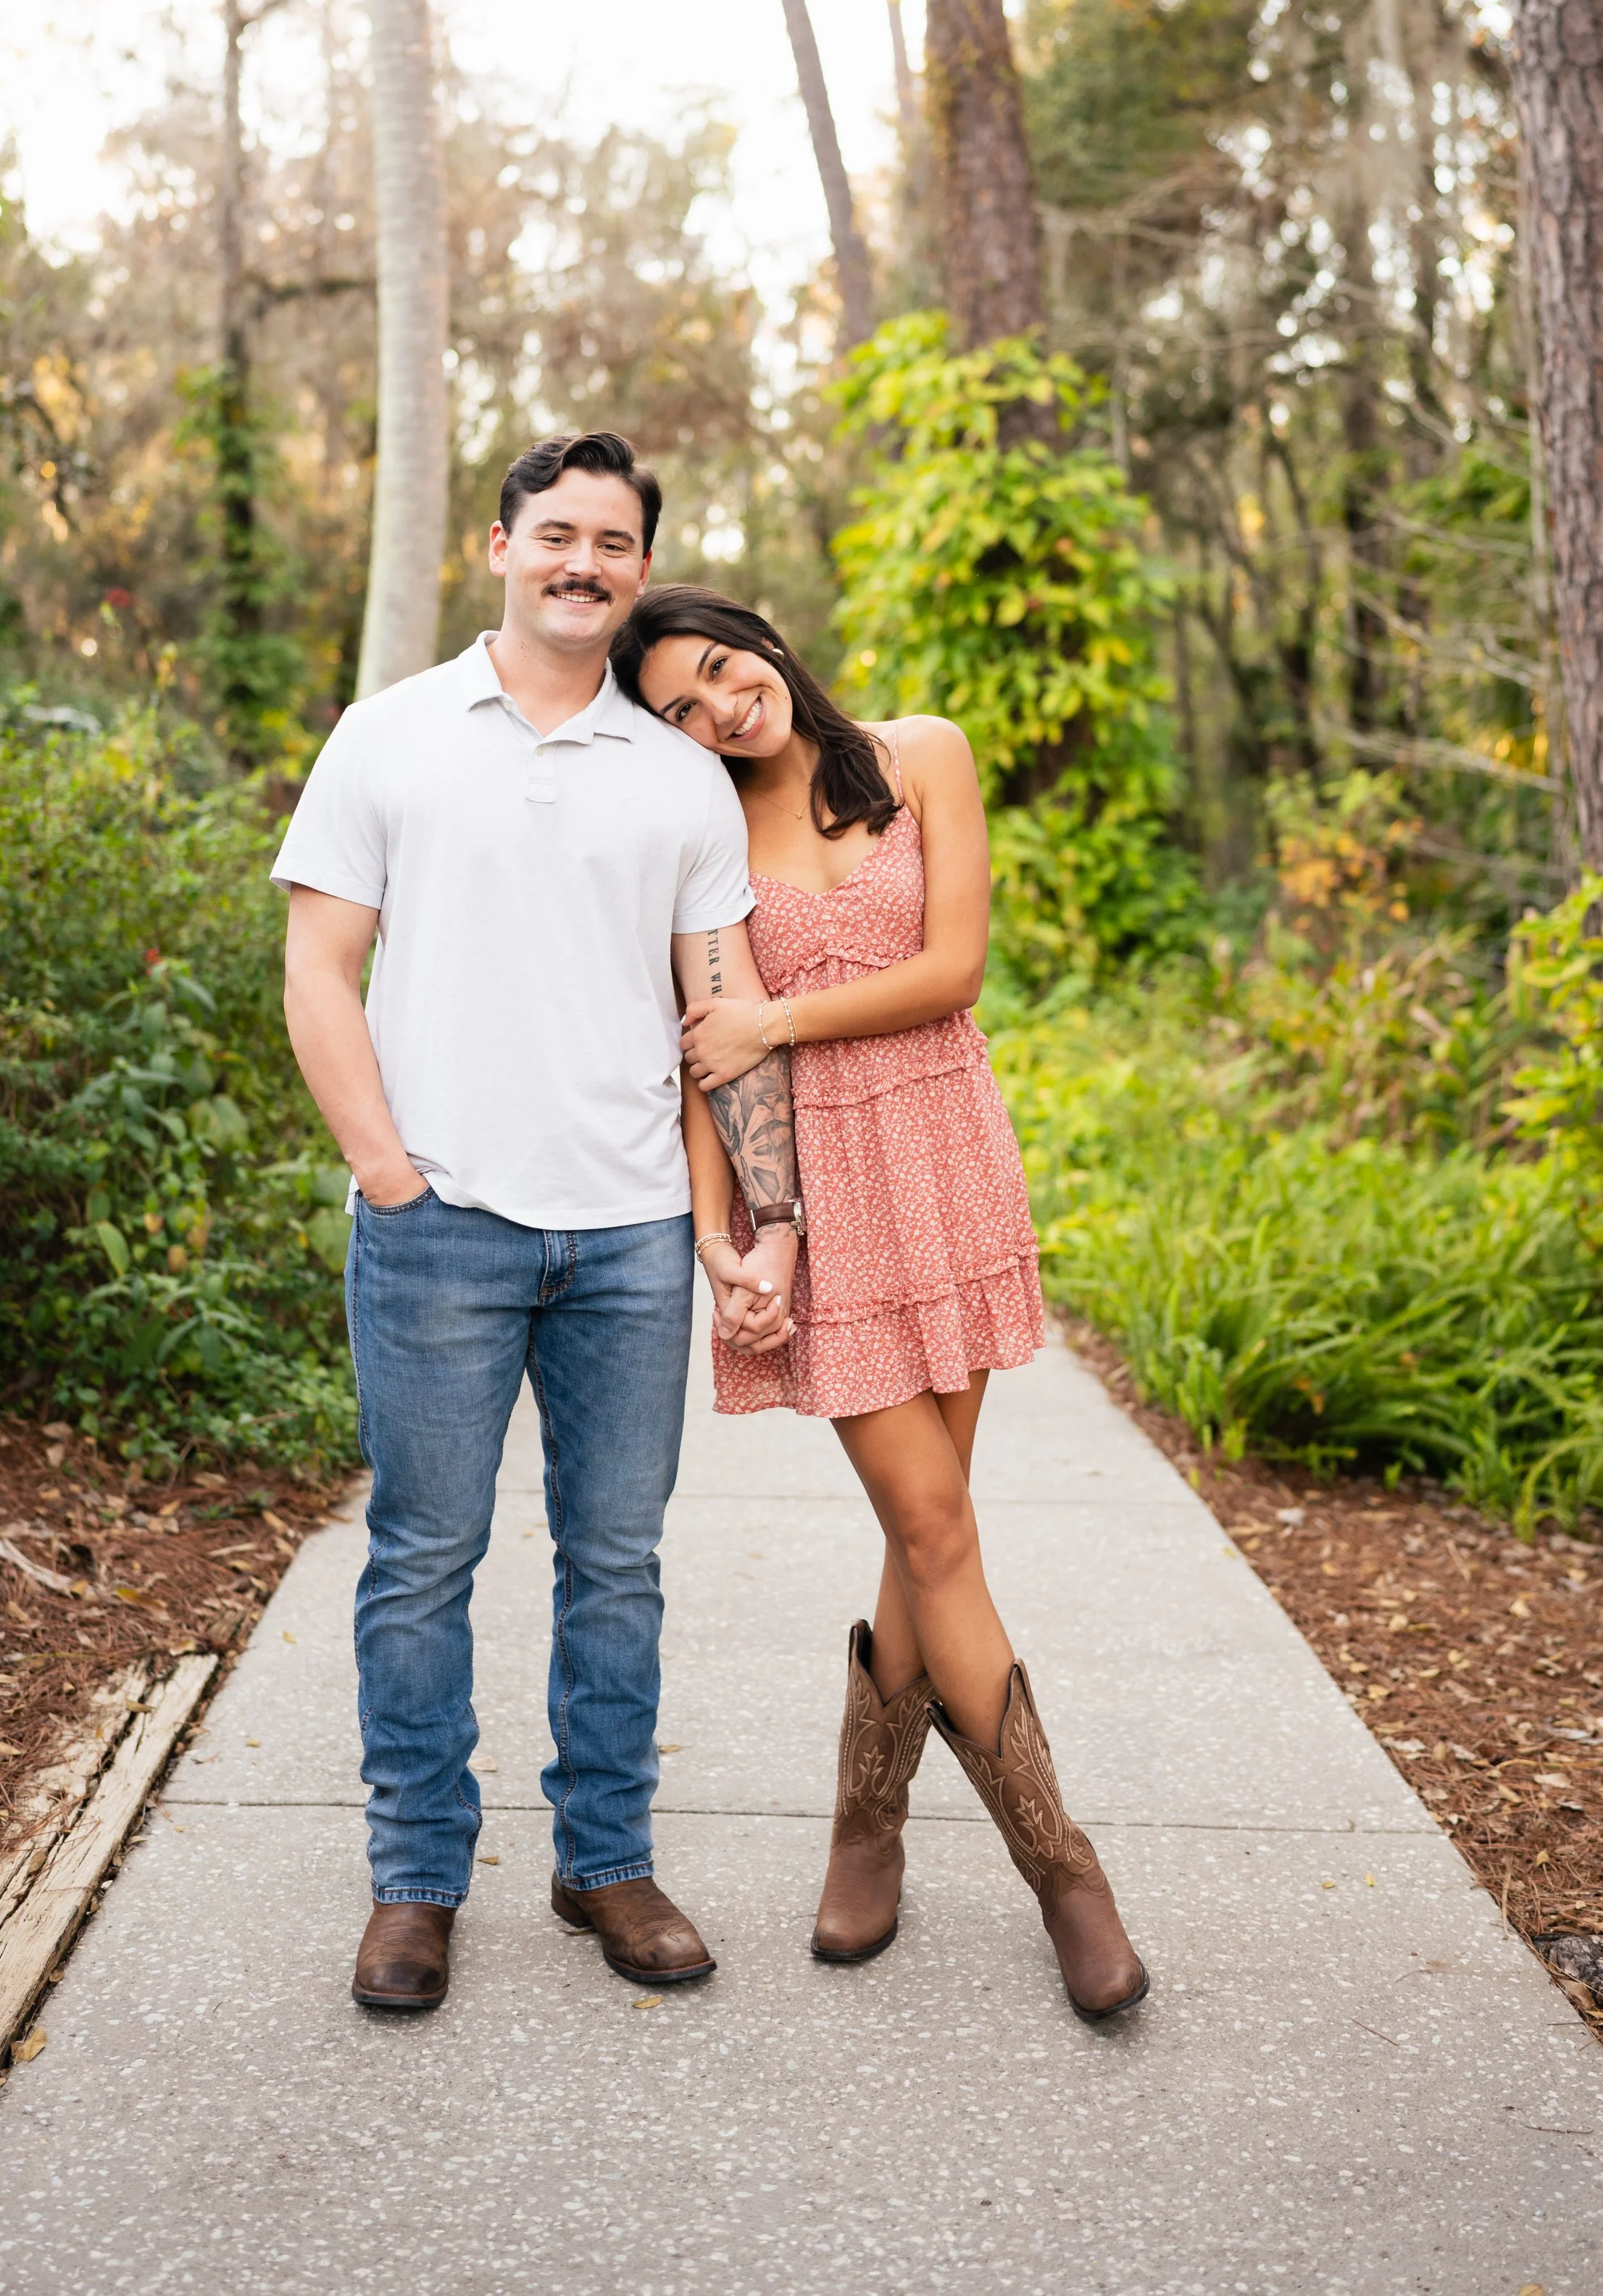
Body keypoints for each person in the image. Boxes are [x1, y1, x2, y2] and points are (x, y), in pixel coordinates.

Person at [274, 438, 799, 2015]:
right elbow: (317, 971)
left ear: (640, 570)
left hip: (631, 1234)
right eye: (556, 533)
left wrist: (753, 1222)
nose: (583, 561)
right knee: (424, 1559)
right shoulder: (392, 738)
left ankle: (605, 1861)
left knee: (616, 1562)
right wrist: (386, 1174)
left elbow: (725, 1015)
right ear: (500, 544)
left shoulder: (679, 772)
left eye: (613, 542)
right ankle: (417, 1882)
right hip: (440, 1225)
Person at [609, 584, 1149, 2024]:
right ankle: (1065, 1872)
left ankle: (868, 1820)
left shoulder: (923, 754)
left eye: (723, 670)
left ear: (767, 640)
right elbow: (703, 1058)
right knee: (929, 1524)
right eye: (681, 709)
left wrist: (776, 1014)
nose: (721, 709)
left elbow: (950, 970)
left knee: (932, 1527)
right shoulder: (704, 841)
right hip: (832, 1205)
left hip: (947, 1162)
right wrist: (725, 1238)